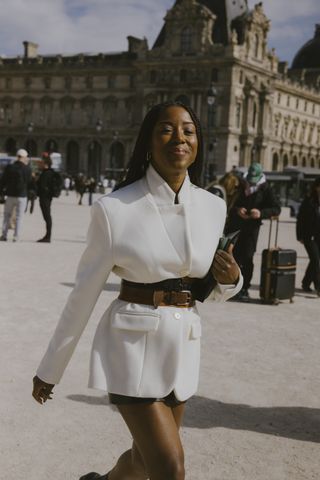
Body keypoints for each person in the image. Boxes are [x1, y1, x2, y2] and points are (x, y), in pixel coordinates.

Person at [32, 101, 243, 480]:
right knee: (169, 467)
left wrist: (231, 281)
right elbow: (83, 295)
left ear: (198, 143)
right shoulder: (115, 209)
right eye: (166, 129)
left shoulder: (213, 206)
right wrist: (50, 370)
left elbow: (202, 288)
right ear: (147, 140)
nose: (179, 137)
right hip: (130, 349)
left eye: (188, 130)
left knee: (143, 460)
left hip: (182, 349)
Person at [225, 162, 281, 302]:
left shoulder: (266, 188)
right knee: (234, 257)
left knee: (248, 258)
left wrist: (260, 213)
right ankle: (232, 287)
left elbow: (276, 208)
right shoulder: (240, 185)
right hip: (236, 227)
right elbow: (228, 204)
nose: (251, 182)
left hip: (251, 229)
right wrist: (237, 210)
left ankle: (244, 288)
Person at [0, 148, 31, 242]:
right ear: (25, 157)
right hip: (22, 195)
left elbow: (3, 181)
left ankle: (4, 235)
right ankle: (16, 236)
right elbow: (29, 182)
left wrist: (1, 192)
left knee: (6, 215)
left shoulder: (9, 167)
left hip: (10, 195)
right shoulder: (27, 168)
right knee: (19, 216)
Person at [296, 177, 320, 295]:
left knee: (315, 261)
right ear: (316, 187)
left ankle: (306, 282)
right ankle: (318, 286)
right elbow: (300, 219)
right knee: (316, 260)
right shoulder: (309, 201)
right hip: (309, 236)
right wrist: (299, 235)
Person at [36, 152, 58, 243]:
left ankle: (48, 236)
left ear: (45, 164)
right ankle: (47, 235)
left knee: (47, 216)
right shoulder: (48, 173)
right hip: (46, 197)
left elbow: (42, 185)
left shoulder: (46, 174)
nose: (39, 164)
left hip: (45, 197)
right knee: (47, 216)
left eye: (41, 162)